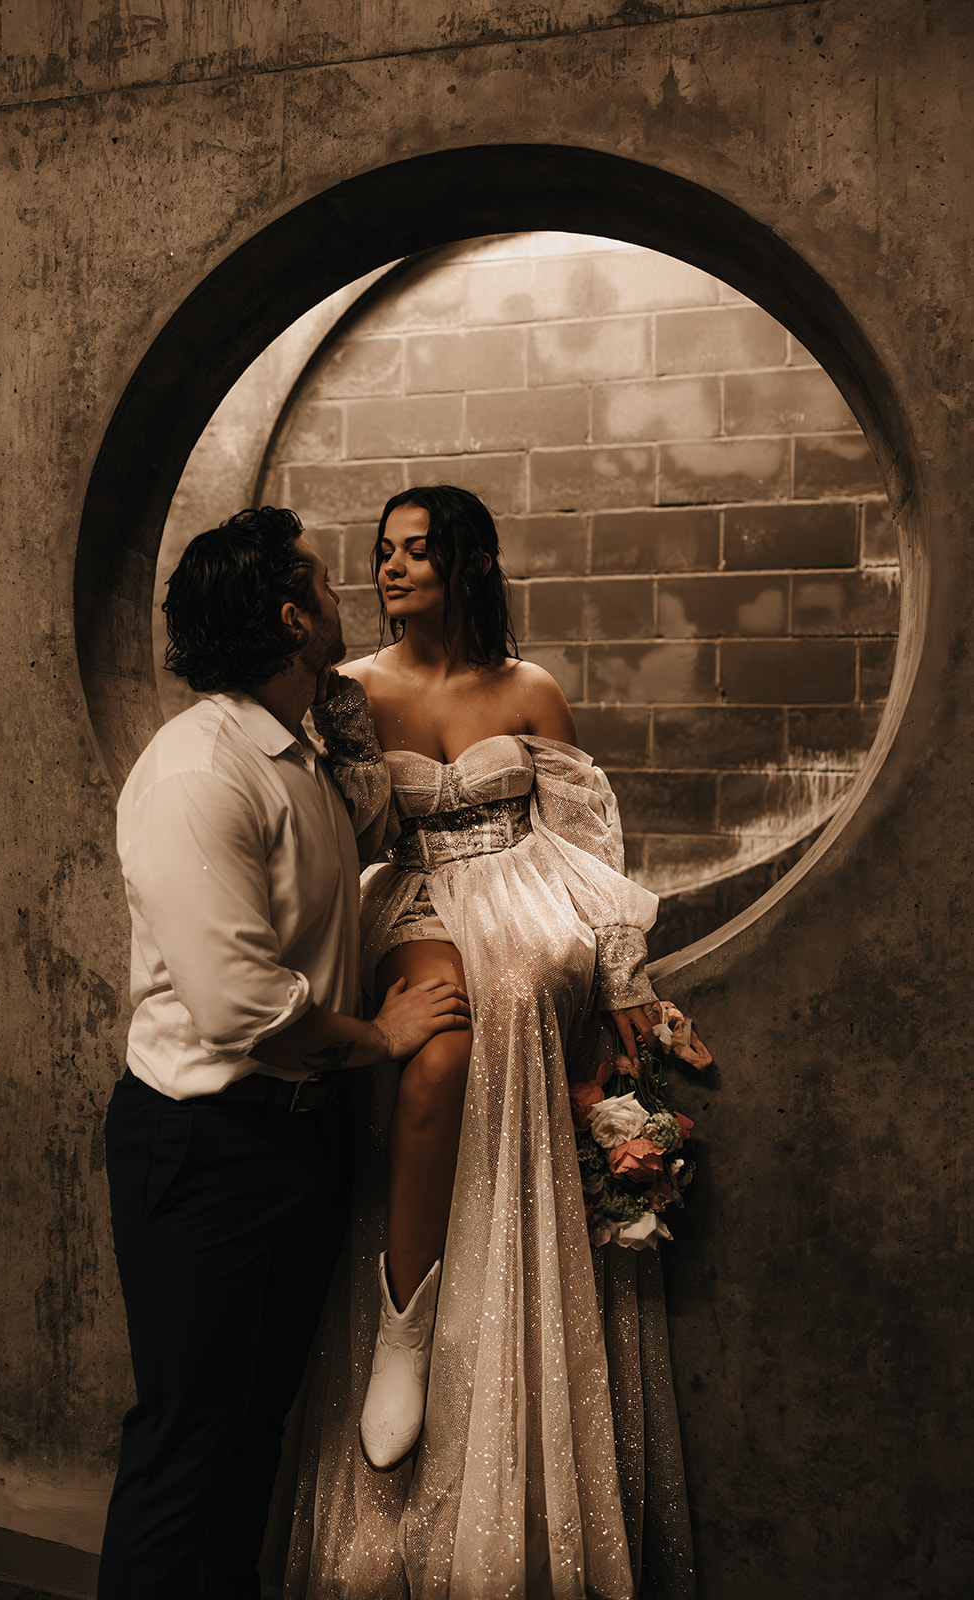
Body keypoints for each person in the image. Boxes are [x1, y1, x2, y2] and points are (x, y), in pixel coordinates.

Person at [280, 487, 697, 1599]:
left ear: (468, 562)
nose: (392, 568)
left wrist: (624, 986)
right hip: (413, 905)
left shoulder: (530, 688)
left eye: (418, 550)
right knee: (459, 1020)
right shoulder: (353, 691)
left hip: (529, 901)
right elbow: (346, 838)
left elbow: (587, 841)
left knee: (521, 976)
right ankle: (402, 1329)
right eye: (381, 553)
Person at [96, 507, 470, 1600]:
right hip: (204, 1149)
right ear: (291, 613)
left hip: (293, 1142)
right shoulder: (195, 772)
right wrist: (381, 1035)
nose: (347, 591)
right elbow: (241, 1007)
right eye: (320, 580)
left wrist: (349, 711)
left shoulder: (297, 749)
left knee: (254, 1435)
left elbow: (362, 843)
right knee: (187, 1447)